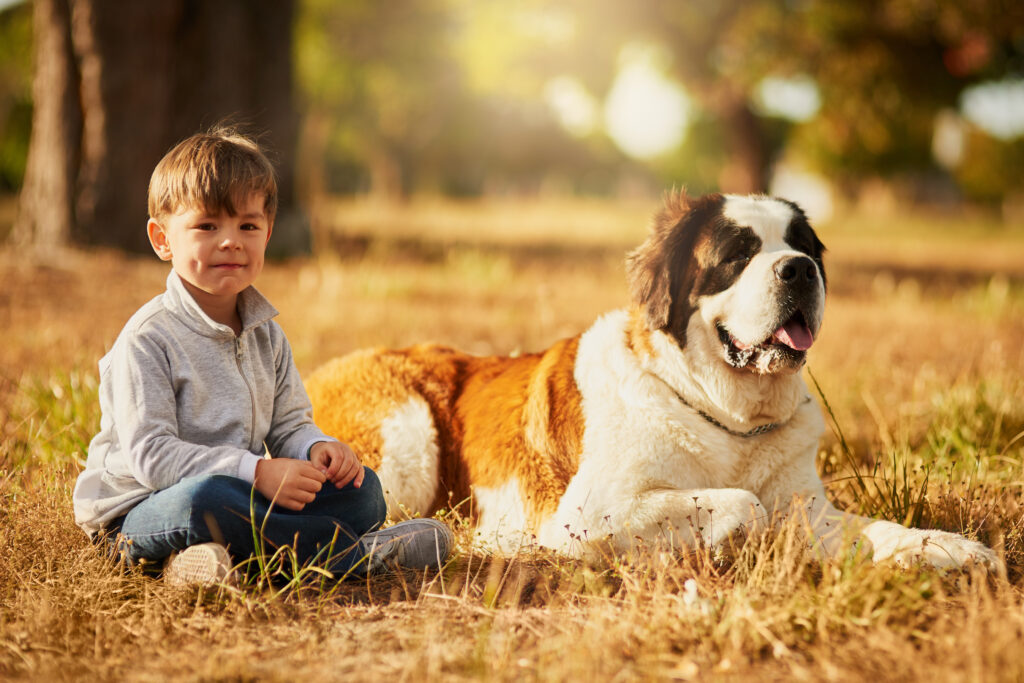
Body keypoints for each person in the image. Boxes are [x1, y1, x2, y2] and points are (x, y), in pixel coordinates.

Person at [72, 126, 452, 586]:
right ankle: (354, 557)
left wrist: (318, 449)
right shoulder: (147, 340)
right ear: (162, 239)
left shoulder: (266, 335)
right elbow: (152, 458)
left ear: (267, 234)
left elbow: (289, 424)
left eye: (247, 226)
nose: (230, 240)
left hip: (244, 495)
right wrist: (257, 472)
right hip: (143, 514)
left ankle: (203, 565)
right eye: (207, 226)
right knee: (207, 500)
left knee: (364, 492)